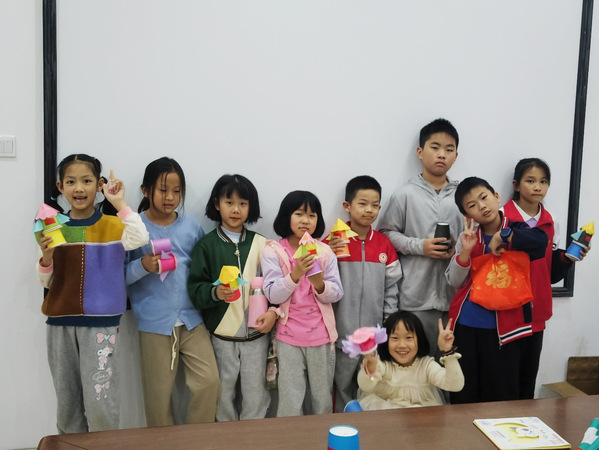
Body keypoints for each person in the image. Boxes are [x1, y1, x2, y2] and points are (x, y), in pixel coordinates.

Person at [36, 154, 149, 433]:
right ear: (60, 187)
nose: (79, 189)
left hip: (102, 326)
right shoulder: (53, 225)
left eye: (87, 181)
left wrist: (119, 202)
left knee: (102, 404)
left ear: (99, 185)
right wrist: (46, 258)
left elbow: (140, 237)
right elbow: (46, 281)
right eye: (71, 182)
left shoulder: (114, 225)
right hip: (60, 324)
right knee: (67, 404)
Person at [125, 157, 220, 426]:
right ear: (146, 191)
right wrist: (143, 265)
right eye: (163, 190)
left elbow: (203, 270)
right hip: (155, 323)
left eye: (177, 191)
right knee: (158, 398)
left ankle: (196, 441)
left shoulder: (191, 227)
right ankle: (162, 443)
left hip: (192, 320)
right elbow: (119, 277)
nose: (170, 197)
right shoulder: (135, 228)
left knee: (209, 382)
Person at [446, 176, 548, 404]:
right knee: (464, 392)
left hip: (505, 330)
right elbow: (454, 281)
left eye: (484, 197)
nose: (482, 206)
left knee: (501, 395)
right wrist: (465, 252)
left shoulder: (518, 228)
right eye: (472, 205)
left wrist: (504, 236)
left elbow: (541, 242)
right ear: (467, 215)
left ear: (496, 197)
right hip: (466, 326)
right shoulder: (469, 238)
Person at [187, 174, 276, 421]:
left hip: (257, 334)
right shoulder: (206, 245)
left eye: (243, 203)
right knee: (222, 394)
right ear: (217, 204)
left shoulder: (263, 244)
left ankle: (253, 437)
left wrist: (274, 312)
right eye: (229, 202)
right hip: (221, 335)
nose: (236, 209)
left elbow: (276, 286)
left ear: (251, 207)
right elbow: (195, 288)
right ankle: (224, 437)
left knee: (256, 393)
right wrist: (214, 292)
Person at [502, 158, 586, 398]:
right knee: (504, 380)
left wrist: (567, 259)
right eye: (530, 181)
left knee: (527, 379)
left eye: (543, 181)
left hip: (536, 311)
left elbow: (549, 273)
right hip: (505, 312)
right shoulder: (501, 217)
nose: (538, 187)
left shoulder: (551, 222)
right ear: (516, 185)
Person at [378, 118, 463, 352]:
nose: (442, 154)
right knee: (415, 365)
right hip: (414, 299)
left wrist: (458, 248)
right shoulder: (405, 194)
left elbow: (474, 239)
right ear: (420, 152)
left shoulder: (462, 197)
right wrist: (420, 246)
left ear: (456, 156)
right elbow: (385, 234)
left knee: (448, 365)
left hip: (454, 299)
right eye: (435, 147)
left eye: (449, 149)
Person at [261, 191, 343, 416]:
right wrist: (295, 274)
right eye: (299, 214)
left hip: (322, 337)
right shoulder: (273, 251)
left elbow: (337, 292)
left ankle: (322, 434)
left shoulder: (324, 252)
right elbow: (272, 294)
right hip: (288, 338)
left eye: (312, 215)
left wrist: (319, 285)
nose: (306, 220)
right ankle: (291, 436)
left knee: (322, 400)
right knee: (290, 400)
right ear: (286, 216)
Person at [324, 175, 402, 412]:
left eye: (375, 205)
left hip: (373, 337)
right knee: (340, 388)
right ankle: (341, 427)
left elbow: (392, 286)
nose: (369, 210)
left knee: (371, 386)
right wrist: (326, 252)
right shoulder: (333, 241)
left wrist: (388, 319)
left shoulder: (384, 244)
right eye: (363, 203)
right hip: (340, 335)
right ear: (347, 206)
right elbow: (317, 282)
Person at [357, 311, 464, 410]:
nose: (402, 345)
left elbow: (455, 385)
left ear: (419, 339)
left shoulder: (426, 365)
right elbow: (365, 385)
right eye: (395, 338)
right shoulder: (383, 364)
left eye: (408, 338)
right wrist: (371, 364)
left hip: (418, 417)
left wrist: (448, 351)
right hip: (387, 417)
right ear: (386, 341)